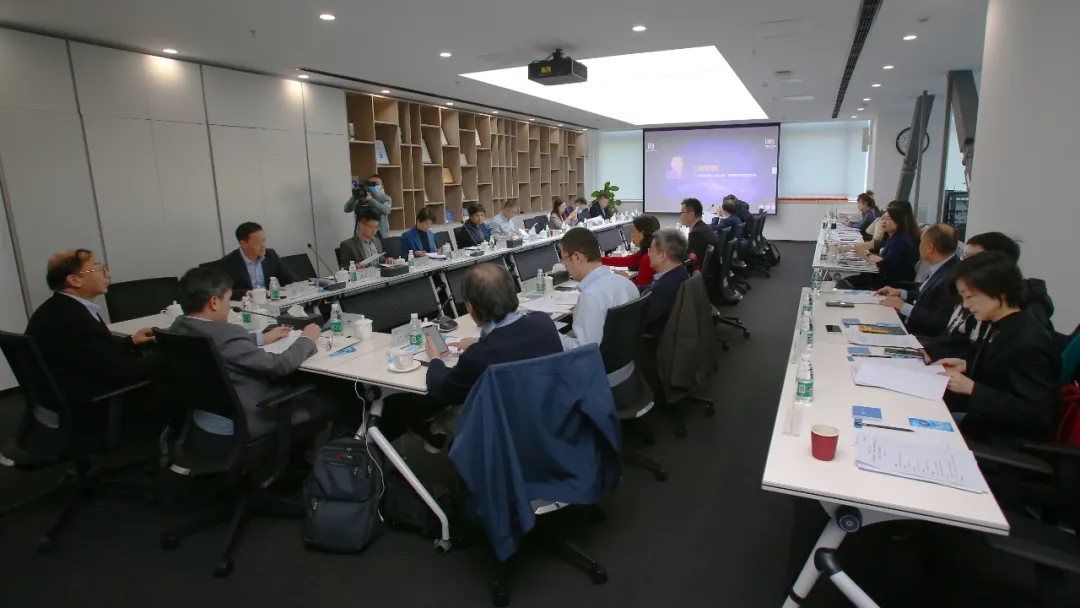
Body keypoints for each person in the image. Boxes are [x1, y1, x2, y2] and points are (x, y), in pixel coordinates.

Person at [377, 264, 563, 450]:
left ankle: (434, 430)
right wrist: (479, 342)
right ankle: (436, 433)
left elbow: (441, 389)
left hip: (506, 432)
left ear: (470, 307)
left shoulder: (479, 357)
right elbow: (512, 343)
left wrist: (435, 359)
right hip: (552, 420)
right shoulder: (544, 324)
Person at [167, 267, 352, 441]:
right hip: (254, 416)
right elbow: (279, 366)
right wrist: (307, 339)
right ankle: (335, 456)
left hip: (207, 415)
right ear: (214, 302)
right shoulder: (227, 335)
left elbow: (223, 346)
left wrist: (261, 338)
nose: (229, 307)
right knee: (342, 395)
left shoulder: (178, 327)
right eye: (228, 300)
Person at [933, 253, 1059, 446]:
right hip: (980, 423)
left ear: (999, 291)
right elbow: (1004, 372)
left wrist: (973, 389)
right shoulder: (1001, 323)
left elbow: (1039, 416)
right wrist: (968, 365)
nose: (966, 305)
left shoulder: (1028, 341)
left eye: (970, 296)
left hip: (1002, 442)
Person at [24, 249, 162, 407]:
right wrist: (171, 353)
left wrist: (131, 342)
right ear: (75, 280)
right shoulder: (76, 320)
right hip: (92, 402)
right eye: (98, 268)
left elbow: (96, 352)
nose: (107, 273)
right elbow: (121, 373)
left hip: (62, 396)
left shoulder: (57, 309)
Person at [923, 232, 1055, 361]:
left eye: (974, 259)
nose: (965, 264)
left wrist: (970, 375)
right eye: (965, 257)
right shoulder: (991, 315)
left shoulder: (1024, 332)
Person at [558, 228, 640, 383]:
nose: (565, 266)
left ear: (576, 257)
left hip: (602, 379)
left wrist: (551, 333)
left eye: (564, 260)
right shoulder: (627, 284)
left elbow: (583, 352)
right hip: (627, 370)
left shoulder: (591, 296)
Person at [875, 223, 960, 337]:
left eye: (921, 242)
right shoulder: (944, 266)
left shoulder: (951, 277)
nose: (919, 246)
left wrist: (902, 306)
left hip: (919, 335)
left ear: (929, 247)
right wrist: (901, 293)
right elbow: (927, 294)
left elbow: (939, 321)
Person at [218, 222, 297, 300]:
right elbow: (223, 291)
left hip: (270, 301)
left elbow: (288, 278)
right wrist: (247, 293)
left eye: (263, 240)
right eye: (257, 243)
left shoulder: (270, 255)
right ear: (244, 244)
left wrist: (296, 285)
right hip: (247, 304)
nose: (263, 245)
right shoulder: (228, 263)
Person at [850, 200, 920, 287]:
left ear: (899, 219)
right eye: (883, 218)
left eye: (888, 219)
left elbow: (885, 266)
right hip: (884, 279)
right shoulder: (893, 238)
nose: (883, 222)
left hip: (890, 286)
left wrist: (866, 255)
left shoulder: (901, 241)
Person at [641, 228, 691, 337]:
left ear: (662, 256)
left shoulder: (665, 288)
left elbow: (640, 319)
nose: (648, 254)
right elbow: (650, 288)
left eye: (651, 250)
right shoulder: (679, 272)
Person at [602, 214, 659, 287]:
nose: (631, 235)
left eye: (633, 232)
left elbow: (640, 290)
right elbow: (626, 260)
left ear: (642, 233)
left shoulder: (648, 258)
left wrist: (627, 278)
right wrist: (597, 259)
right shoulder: (648, 252)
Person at [680, 197, 719, 271]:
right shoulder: (703, 227)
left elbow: (690, 260)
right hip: (711, 272)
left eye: (682, 213)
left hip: (704, 275)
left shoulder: (696, 233)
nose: (681, 216)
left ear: (691, 214)